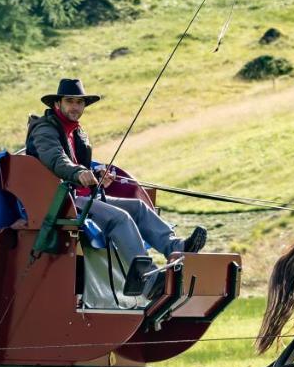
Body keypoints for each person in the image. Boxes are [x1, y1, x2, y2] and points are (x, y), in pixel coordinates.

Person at [26, 78, 206, 297]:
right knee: (119, 217)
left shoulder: (77, 132)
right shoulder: (44, 129)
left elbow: (79, 164)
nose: (75, 107)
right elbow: (55, 159)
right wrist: (78, 173)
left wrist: (98, 174)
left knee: (138, 208)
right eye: (70, 101)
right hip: (59, 200)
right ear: (58, 104)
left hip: (79, 197)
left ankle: (177, 247)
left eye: (79, 102)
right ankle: (148, 282)